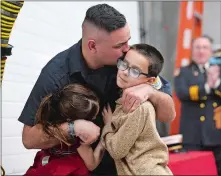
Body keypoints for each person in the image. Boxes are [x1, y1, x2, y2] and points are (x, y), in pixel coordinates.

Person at [19, 4, 175, 175]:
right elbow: (29, 138)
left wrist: (151, 92)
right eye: (120, 45)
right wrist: (73, 128)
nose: (127, 49)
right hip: (87, 167)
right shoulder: (56, 75)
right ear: (92, 46)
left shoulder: (130, 63)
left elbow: (168, 115)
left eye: (128, 41)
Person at [101, 44, 173, 175]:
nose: (124, 72)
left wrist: (108, 125)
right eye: (123, 64)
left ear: (150, 80)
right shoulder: (122, 100)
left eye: (135, 71)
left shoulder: (140, 108)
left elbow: (117, 150)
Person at [25, 84, 106, 175]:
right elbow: (92, 164)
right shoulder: (77, 138)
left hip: (44, 166)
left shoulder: (48, 119)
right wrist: (107, 131)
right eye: (92, 117)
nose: (95, 118)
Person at [174, 35, 221, 175]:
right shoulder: (183, 72)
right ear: (192, 50)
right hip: (192, 135)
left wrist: (217, 83)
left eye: (205, 47)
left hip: (216, 134)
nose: (201, 51)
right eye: (198, 47)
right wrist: (207, 87)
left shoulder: (219, 71)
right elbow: (182, 93)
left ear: (211, 51)